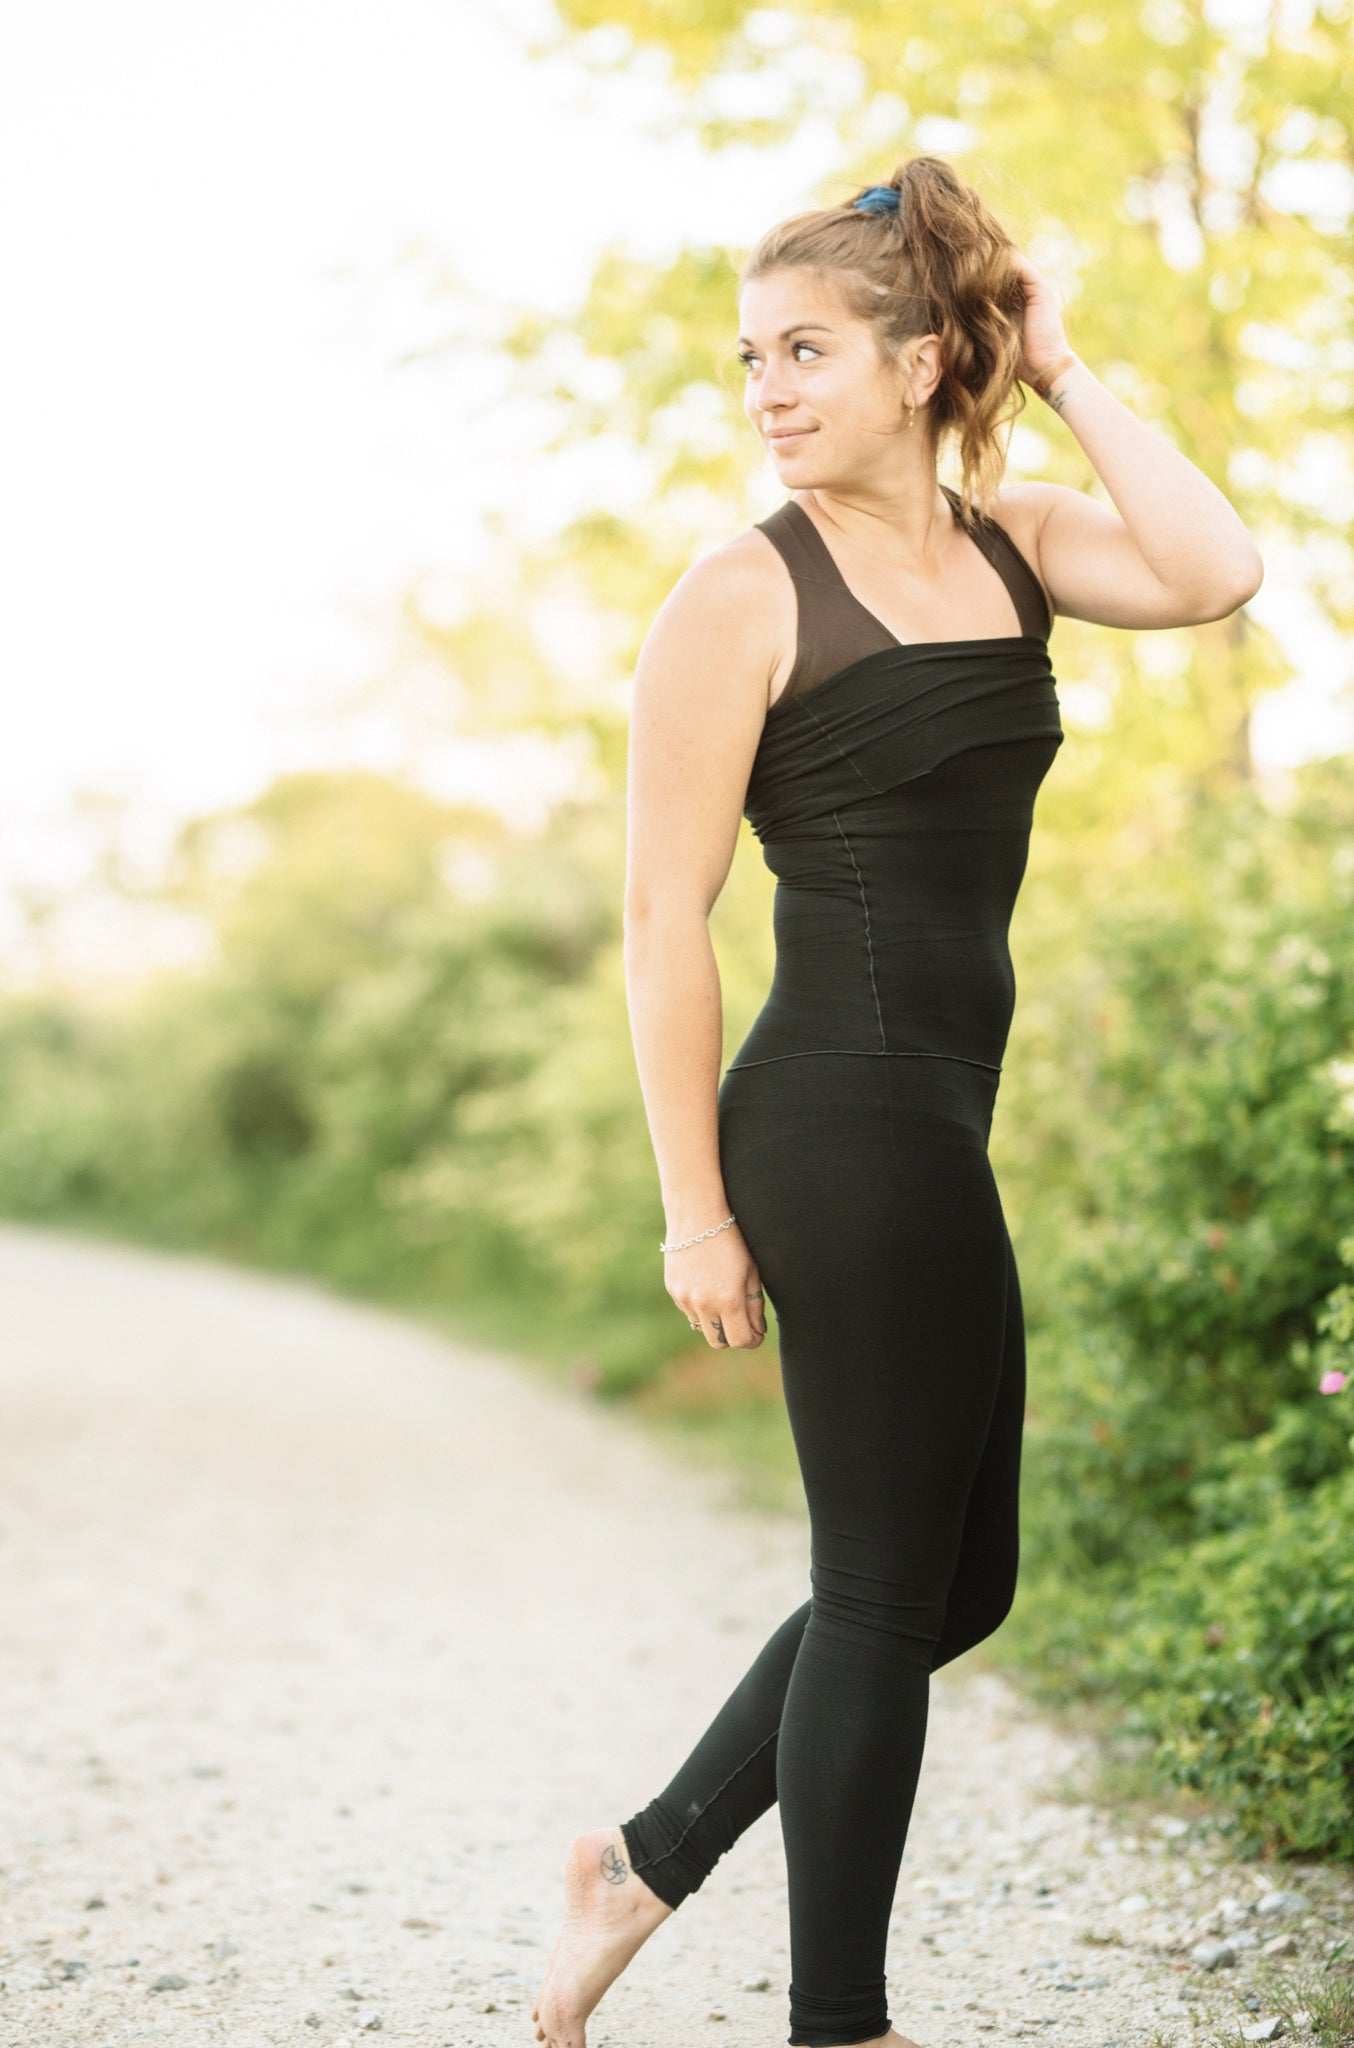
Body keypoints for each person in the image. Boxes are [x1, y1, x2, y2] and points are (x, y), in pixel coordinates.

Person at [532, 154, 1263, 2048]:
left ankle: (642, 1859)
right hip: (834, 1118)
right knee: (878, 1588)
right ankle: (838, 2024)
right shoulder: (736, 594)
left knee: (961, 1581)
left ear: (926, 356)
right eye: (748, 359)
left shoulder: (1015, 547)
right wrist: (691, 1202)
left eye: (804, 352)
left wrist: (1067, 364)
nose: (764, 390)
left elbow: (1212, 571)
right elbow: (658, 924)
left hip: (942, 1117)